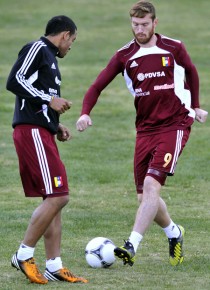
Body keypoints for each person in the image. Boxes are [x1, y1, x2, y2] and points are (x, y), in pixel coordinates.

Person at [76, 1, 208, 267]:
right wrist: (85, 112)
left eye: (145, 24)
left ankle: (131, 245)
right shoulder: (125, 55)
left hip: (176, 124)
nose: (140, 29)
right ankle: (174, 232)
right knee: (144, 197)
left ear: (155, 23)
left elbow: (192, 72)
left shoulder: (173, 47)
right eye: (135, 25)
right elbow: (97, 85)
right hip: (145, 129)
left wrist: (195, 106)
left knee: (151, 186)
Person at [6, 15, 88, 284]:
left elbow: (38, 100)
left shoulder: (50, 59)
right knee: (58, 196)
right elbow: (15, 80)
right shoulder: (37, 48)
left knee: (54, 197)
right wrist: (49, 99)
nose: (71, 47)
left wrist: (55, 125)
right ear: (64, 35)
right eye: (72, 41)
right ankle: (23, 253)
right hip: (30, 133)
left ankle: (54, 265)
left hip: (42, 132)